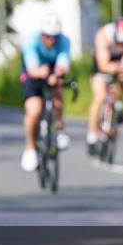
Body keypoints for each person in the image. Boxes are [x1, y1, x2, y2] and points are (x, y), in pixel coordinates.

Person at [19, 13, 72, 171]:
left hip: (52, 72)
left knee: (58, 92)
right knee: (34, 110)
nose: (51, 40)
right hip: (33, 72)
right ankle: (30, 148)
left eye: (55, 37)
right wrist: (45, 74)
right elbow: (33, 69)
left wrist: (58, 73)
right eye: (47, 36)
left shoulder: (64, 41)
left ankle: (59, 127)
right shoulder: (30, 41)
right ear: (41, 34)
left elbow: (64, 62)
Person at [86, 16, 123, 156]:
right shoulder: (103, 35)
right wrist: (115, 68)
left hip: (119, 60)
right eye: (119, 42)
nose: (121, 45)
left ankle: (119, 104)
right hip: (102, 62)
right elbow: (103, 64)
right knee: (100, 97)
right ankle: (92, 135)